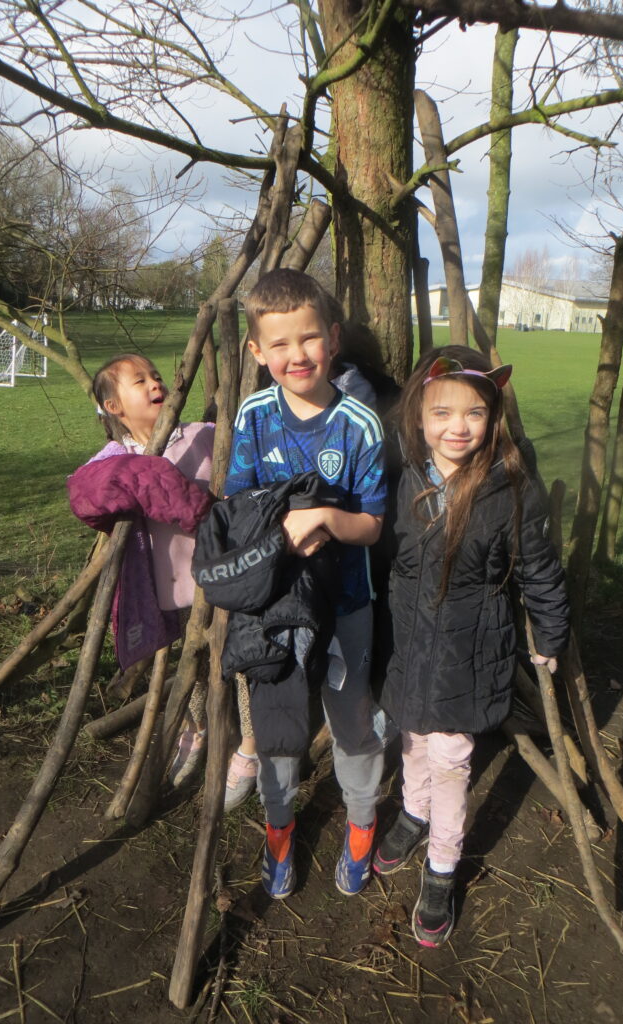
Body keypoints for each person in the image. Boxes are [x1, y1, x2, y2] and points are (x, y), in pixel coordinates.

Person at [373, 345, 570, 948]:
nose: (458, 428)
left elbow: (539, 570)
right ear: (419, 416)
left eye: (475, 414)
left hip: (470, 648)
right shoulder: (403, 479)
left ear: (493, 419)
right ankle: (412, 810)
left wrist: (550, 634)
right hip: (409, 643)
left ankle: (441, 867)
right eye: (442, 413)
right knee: (411, 735)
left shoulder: (511, 490)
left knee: (452, 762)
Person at [223, 268, 387, 899]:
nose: (298, 355)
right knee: (281, 727)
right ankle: (280, 830)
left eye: (310, 339)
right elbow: (239, 504)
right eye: (281, 344)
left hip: (347, 605)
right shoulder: (256, 416)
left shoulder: (359, 425)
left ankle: (363, 824)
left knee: (351, 721)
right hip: (276, 608)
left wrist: (324, 519)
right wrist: (280, 532)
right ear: (257, 352)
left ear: (334, 339)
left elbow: (372, 526)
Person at [67, 353, 258, 807]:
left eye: (156, 376)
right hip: (172, 588)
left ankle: (252, 746)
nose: (156, 383)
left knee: (247, 662)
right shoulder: (118, 459)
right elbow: (84, 495)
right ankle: (194, 730)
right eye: (140, 381)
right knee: (188, 665)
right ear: (114, 407)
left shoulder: (204, 436)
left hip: (227, 577)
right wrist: (150, 475)